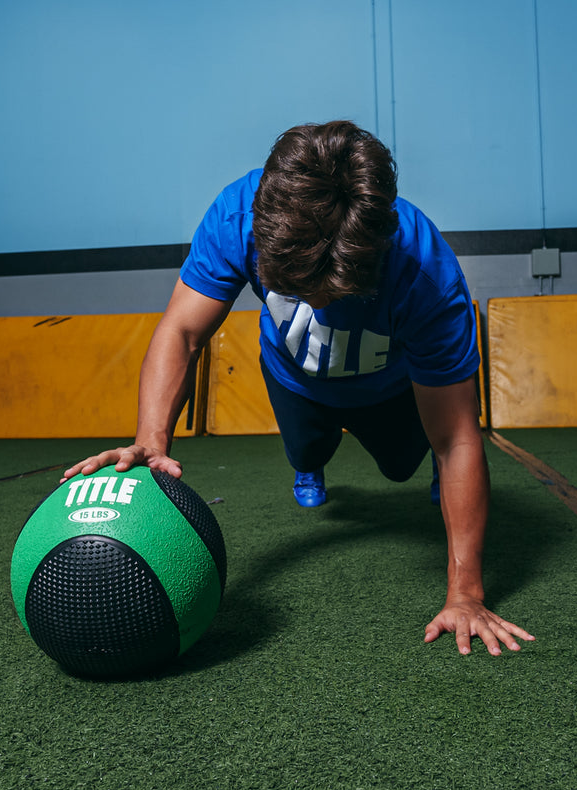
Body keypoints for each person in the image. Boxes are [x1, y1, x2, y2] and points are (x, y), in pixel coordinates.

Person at [64, 120, 534, 656]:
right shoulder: (239, 213)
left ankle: (415, 462)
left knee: (409, 461)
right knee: (306, 450)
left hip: (390, 387)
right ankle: (312, 460)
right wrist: (151, 438)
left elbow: (458, 440)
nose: (318, 304)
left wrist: (466, 595)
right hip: (295, 375)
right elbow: (184, 329)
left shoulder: (426, 274)